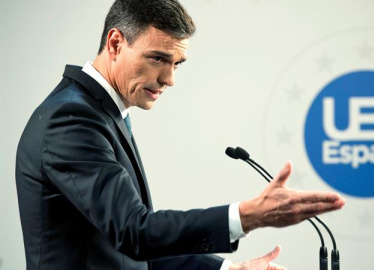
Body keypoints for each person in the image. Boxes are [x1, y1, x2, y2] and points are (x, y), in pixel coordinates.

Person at [15, 0, 345, 269]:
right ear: (115, 43)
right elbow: (135, 233)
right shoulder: (72, 119)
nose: (169, 79)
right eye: (158, 58)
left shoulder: (100, 113)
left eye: (177, 64)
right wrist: (246, 216)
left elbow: (134, 253)